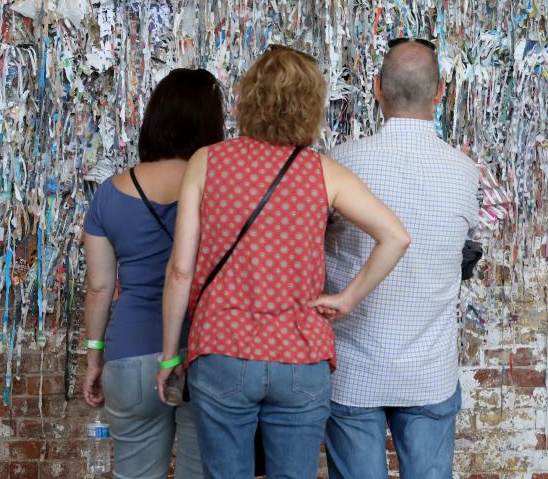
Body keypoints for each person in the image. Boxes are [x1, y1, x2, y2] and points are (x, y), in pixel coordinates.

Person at [157, 45, 411, 479]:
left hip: (221, 350)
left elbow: (181, 269)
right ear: (310, 104)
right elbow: (396, 236)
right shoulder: (323, 172)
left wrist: (168, 358)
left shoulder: (208, 161)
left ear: (248, 97)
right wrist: (348, 298)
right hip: (300, 356)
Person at [323, 38, 480, 479]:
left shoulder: (339, 164)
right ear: (441, 91)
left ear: (376, 88)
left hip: (353, 370)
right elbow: (466, 250)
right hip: (429, 370)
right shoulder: (465, 173)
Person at [82, 68, 224, 479]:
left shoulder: (109, 193)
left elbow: (100, 287)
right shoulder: (220, 185)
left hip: (129, 356)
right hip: (202, 354)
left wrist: (95, 356)